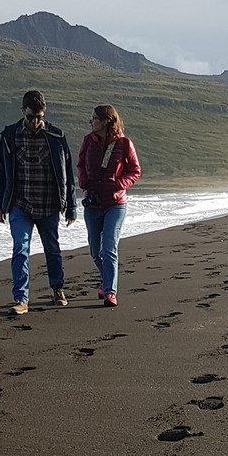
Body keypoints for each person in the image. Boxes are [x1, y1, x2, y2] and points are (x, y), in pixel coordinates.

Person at [0, 90, 77, 315]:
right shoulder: (10, 135)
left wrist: (71, 206)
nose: (35, 122)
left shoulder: (57, 136)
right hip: (20, 204)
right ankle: (21, 299)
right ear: (23, 111)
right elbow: (2, 172)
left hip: (49, 204)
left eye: (39, 117)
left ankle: (57, 290)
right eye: (31, 117)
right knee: (20, 249)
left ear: (44, 112)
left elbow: (67, 173)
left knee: (52, 249)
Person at [77, 105, 141, 307]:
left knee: (109, 248)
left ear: (106, 121)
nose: (91, 122)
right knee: (95, 251)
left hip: (116, 203)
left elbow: (135, 171)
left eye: (94, 118)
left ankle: (110, 292)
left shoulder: (124, 143)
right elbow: (80, 164)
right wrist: (83, 181)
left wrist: (119, 184)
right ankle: (105, 279)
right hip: (93, 203)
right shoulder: (88, 141)